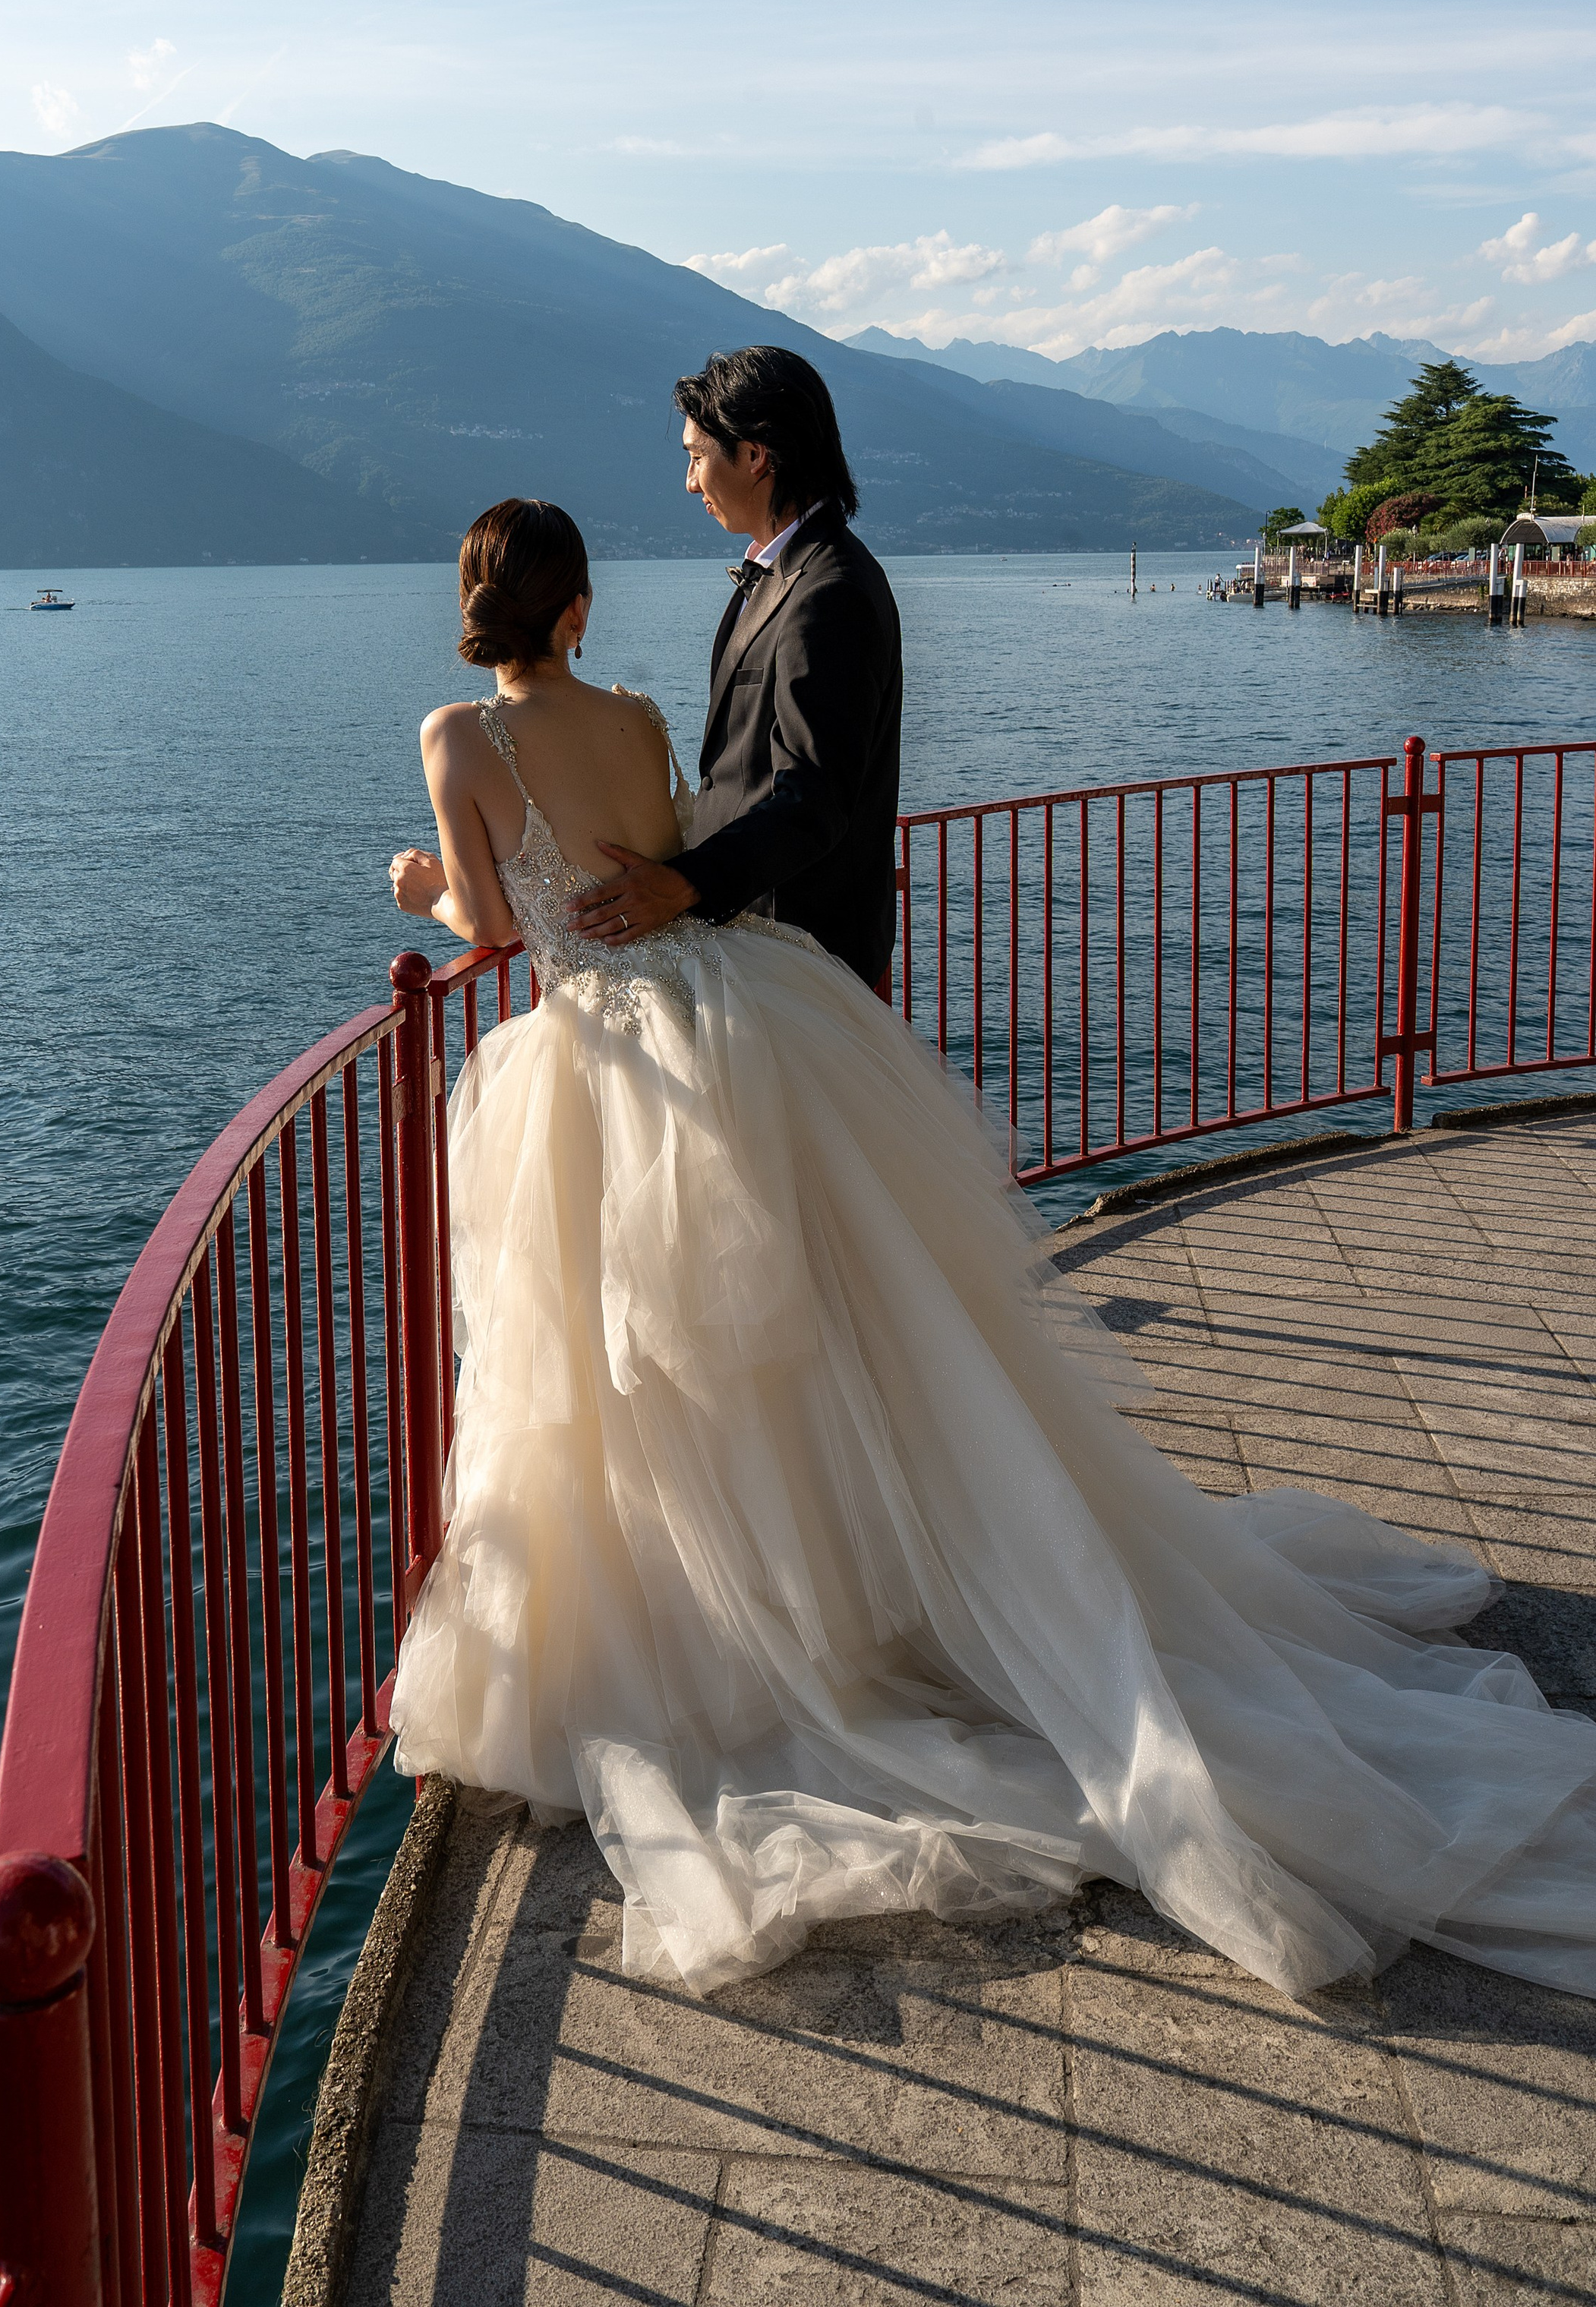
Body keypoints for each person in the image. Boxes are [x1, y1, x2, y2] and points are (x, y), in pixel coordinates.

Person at [385, 486, 1596, 2008]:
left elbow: (498, 937)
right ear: (572, 607)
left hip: (604, 1060)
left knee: (645, 1360)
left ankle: (736, 1625)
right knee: (806, 1331)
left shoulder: (455, 742)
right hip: (739, 1017)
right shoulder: (629, 709)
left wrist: (419, 885)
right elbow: (658, 853)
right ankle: (859, 1585)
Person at [555, 345, 902, 986]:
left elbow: (812, 796)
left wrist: (684, 884)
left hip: (801, 959)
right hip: (764, 946)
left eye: (695, 456)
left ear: (753, 454)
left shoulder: (830, 593)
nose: (690, 482)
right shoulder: (792, 573)